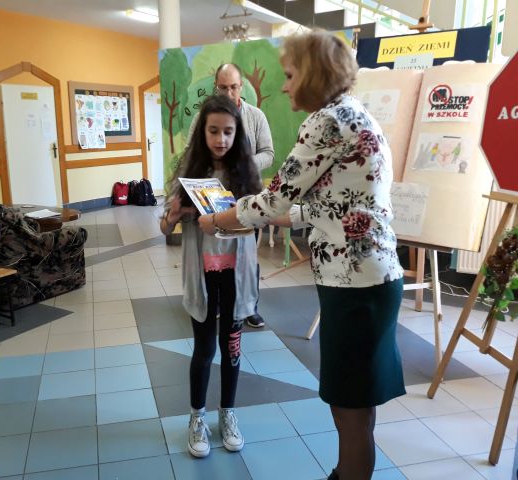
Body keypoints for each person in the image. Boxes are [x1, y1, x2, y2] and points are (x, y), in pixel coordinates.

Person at [198, 30, 405, 480]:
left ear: (313, 75)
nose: (286, 86)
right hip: (375, 278)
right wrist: (283, 216)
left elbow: (271, 199)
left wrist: (215, 220)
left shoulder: (325, 122)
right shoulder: (355, 114)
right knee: (357, 406)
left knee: (349, 409)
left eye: (291, 75)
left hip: (355, 286)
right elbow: (335, 204)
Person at [161, 95, 262, 458]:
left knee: (232, 349)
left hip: (236, 276)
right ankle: (197, 417)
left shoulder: (246, 176)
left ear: (238, 134)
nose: (221, 139)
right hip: (202, 276)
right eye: (214, 130)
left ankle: (227, 413)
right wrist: (174, 215)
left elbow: (258, 222)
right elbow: (164, 227)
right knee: (204, 349)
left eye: (228, 131)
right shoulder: (189, 175)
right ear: (202, 132)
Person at [188, 63, 274, 328]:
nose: (228, 92)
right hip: (210, 198)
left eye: (233, 87)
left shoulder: (256, 116)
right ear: (216, 87)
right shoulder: (201, 118)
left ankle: (249, 306)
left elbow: (268, 154)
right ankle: (214, 302)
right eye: (223, 87)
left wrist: (241, 164)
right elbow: (191, 152)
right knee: (215, 253)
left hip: (245, 198)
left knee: (247, 255)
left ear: (241, 86)